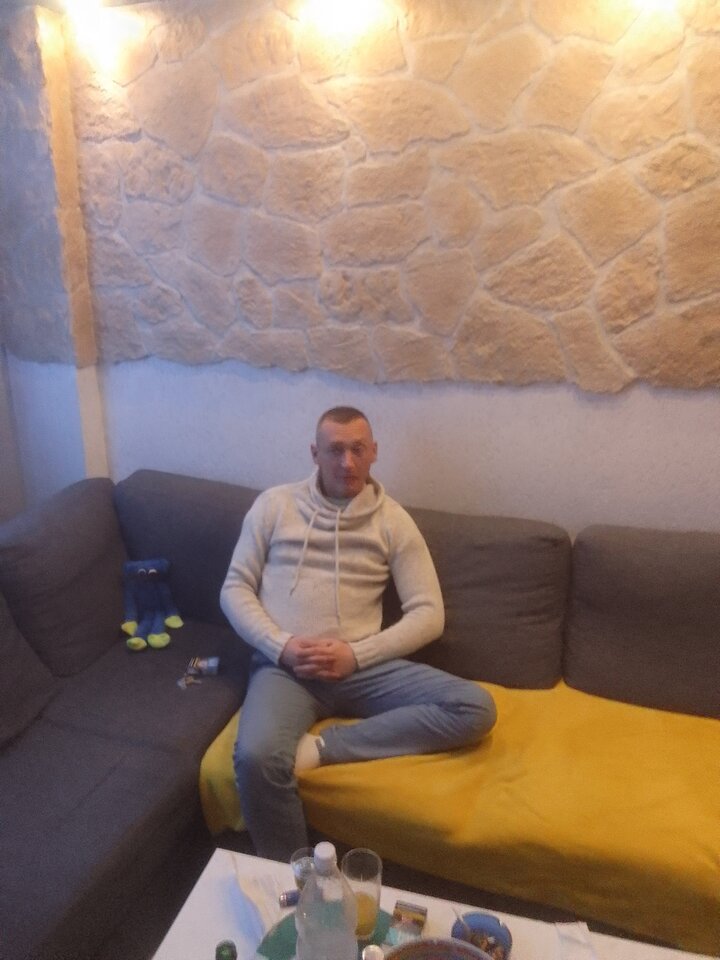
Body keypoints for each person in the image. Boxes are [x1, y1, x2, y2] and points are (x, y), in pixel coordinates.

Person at [220, 406, 496, 861]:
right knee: (255, 757)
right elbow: (234, 588)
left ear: (373, 453)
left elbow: (429, 614)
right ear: (315, 454)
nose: (347, 463)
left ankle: (323, 748)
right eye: (334, 450)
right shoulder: (274, 506)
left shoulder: (393, 520)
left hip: (363, 668)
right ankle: (298, 884)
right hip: (286, 670)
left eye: (357, 450)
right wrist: (281, 646)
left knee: (475, 707)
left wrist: (357, 655)